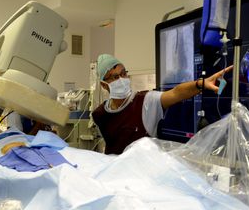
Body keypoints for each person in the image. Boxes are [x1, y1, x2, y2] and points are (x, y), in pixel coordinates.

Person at [92, 53, 232, 154]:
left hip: (143, 177)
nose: (122, 79)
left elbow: (176, 92)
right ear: (104, 85)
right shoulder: (100, 114)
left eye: (123, 73)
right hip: (115, 176)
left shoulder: (145, 101)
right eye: (115, 77)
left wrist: (200, 84)